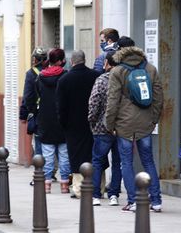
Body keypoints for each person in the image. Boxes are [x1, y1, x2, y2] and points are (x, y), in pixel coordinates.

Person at [105, 45, 164, 212]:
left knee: (126, 162)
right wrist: (154, 120)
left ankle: (133, 201)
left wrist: (110, 124)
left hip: (124, 124)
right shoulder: (150, 69)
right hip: (146, 123)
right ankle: (156, 200)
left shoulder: (117, 71)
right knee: (148, 161)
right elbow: (159, 97)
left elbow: (112, 101)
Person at [57, 50, 100, 198]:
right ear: (85, 59)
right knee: (93, 154)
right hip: (92, 123)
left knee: (75, 156)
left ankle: (79, 189)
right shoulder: (95, 76)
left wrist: (63, 124)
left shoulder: (64, 80)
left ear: (71, 61)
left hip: (72, 124)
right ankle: (97, 187)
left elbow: (61, 107)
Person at [88, 51, 122, 206]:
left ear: (107, 63)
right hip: (121, 128)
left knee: (97, 160)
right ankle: (114, 194)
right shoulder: (124, 79)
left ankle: (95, 195)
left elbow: (94, 102)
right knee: (118, 162)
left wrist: (92, 120)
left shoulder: (101, 80)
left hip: (102, 128)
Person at [35, 48, 71, 194]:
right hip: (62, 119)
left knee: (47, 153)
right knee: (64, 153)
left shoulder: (40, 77)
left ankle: (47, 184)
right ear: (62, 60)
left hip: (45, 119)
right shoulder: (66, 76)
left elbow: (37, 96)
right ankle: (64, 184)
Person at [19, 47, 47, 156]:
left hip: (37, 114)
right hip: (52, 114)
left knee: (39, 143)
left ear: (35, 59)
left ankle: (40, 170)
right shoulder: (52, 72)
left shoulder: (31, 74)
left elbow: (28, 96)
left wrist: (24, 114)